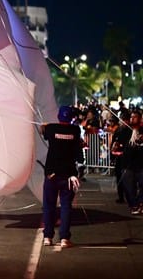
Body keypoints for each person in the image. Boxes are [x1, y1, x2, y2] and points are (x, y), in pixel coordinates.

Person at [40, 105, 84, 248]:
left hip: (52, 174)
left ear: (58, 116)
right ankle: (64, 238)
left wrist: (45, 126)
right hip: (68, 175)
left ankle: (47, 236)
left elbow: (43, 132)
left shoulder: (52, 128)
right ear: (71, 118)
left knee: (49, 206)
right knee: (66, 206)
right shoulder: (75, 130)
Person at [117, 109, 143, 214]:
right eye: (131, 117)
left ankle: (141, 202)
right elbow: (117, 144)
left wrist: (142, 137)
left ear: (140, 119)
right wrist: (116, 147)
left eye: (135, 117)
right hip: (127, 164)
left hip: (142, 164)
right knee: (129, 187)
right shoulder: (124, 131)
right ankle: (133, 205)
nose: (132, 119)